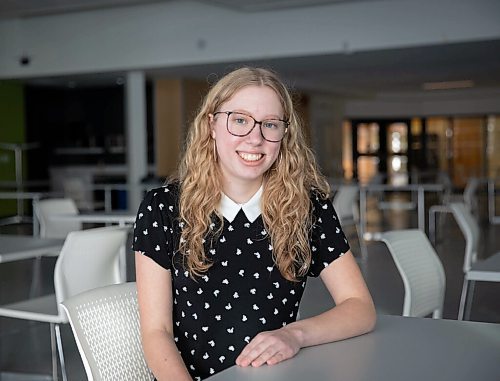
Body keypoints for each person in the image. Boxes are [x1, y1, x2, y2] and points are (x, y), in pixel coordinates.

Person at [133, 67, 376, 381]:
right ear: (212, 125)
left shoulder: (307, 207)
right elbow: (157, 332)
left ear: (283, 134)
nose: (255, 138)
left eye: (270, 124)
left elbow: (360, 307)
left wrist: (295, 335)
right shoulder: (163, 208)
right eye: (240, 120)